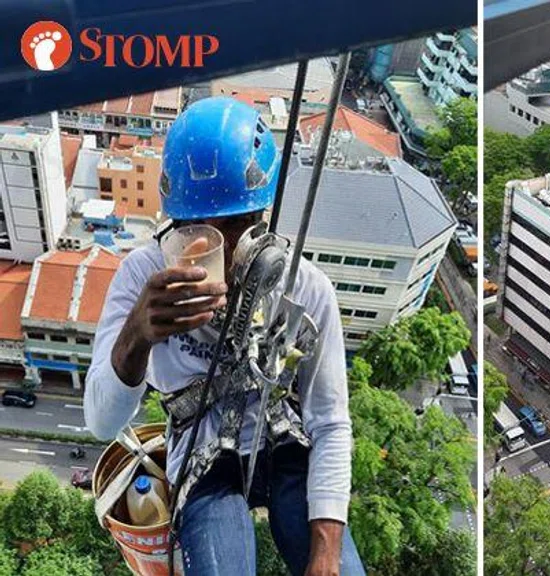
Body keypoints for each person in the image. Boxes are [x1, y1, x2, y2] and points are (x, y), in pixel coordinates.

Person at [84, 97, 363, 576]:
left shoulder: (302, 289)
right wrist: (137, 334)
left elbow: (330, 422)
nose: (220, 247)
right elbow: (102, 424)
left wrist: (326, 557)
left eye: (236, 227)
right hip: (203, 457)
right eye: (195, 227)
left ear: (264, 218)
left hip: (285, 446)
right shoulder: (143, 280)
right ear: (171, 221)